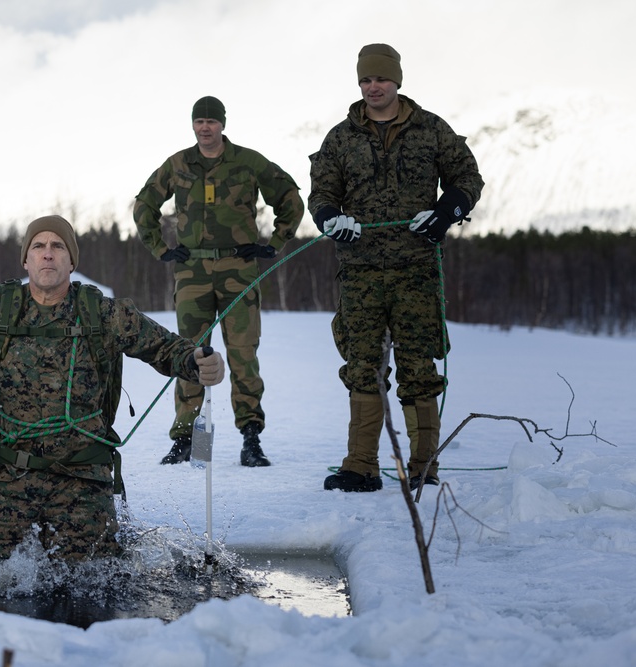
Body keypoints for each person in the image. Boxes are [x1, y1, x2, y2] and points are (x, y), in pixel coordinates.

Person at [0, 215, 225, 565]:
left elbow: (168, 349)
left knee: (98, 575)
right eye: (39, 246)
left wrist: (198, 361)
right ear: (26, 260)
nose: (48, 254)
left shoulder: (104, 313)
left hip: (84, 478)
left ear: (72, 261)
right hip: (11, 477)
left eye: (58, 246)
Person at [308, 44, 485, 492]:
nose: (373, 87)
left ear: (397, 80)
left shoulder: (431, 130)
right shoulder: (341, 138)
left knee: (418, 368)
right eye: (366, 80)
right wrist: (331, 220)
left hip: (416, 271)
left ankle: (424, 466)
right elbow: (322, 194)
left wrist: (447, 212)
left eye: (381, 79)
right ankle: (361, 466)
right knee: (362, 366)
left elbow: (468, 177)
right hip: (361, 273)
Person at [134, 96, 304, 467]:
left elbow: (290, 198)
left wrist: (275, 243)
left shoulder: (248, 161)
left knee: (243, 353)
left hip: (238, 269)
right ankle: (189, 442)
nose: (205, 128)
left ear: (222, 124)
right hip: (192, 271)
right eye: (199, 121)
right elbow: (144, 204)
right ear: (193, 125)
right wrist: (161, 249)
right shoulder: (178, 163)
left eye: (212, 121)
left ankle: (251, 439)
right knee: (191, 353)